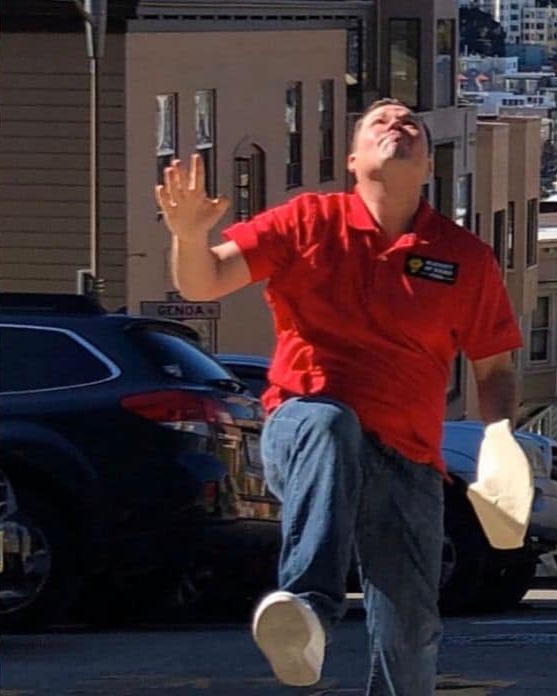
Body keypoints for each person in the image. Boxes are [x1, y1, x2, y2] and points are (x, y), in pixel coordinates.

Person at [156, 98, 522, 692]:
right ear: (352, 160)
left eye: (410, 124)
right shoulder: (307, 222)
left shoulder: (464, 258)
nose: (397, 126)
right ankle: (305, 613)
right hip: (306, 428)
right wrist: (190, 236)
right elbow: (205, 280)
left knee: (411, 632)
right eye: (380, 121)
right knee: (332, 425)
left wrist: (500, 442)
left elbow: (495, 367)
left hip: (409, 459)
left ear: (428, 165)